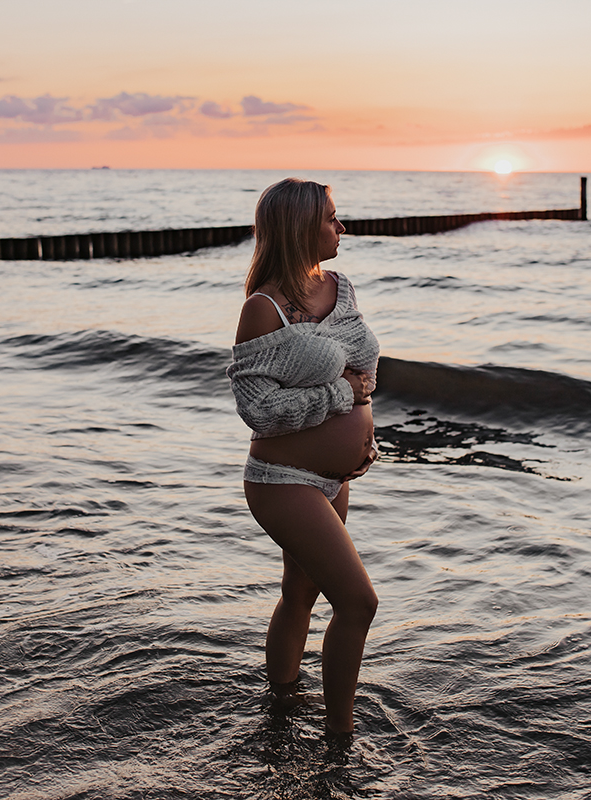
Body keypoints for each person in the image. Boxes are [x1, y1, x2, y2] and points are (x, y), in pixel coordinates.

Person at [227, 178, 381, 735]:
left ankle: (282, 706)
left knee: (299, 594)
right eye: (332, 217)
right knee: (358, 602)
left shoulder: (342, 287)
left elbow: (364, 370)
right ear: (299, 227)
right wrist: (342, 397)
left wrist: (363, 440)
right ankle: (340, 740)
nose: (341, 227)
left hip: (333, 479)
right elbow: (259, 411)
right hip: (280, 478)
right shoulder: (264, 308)